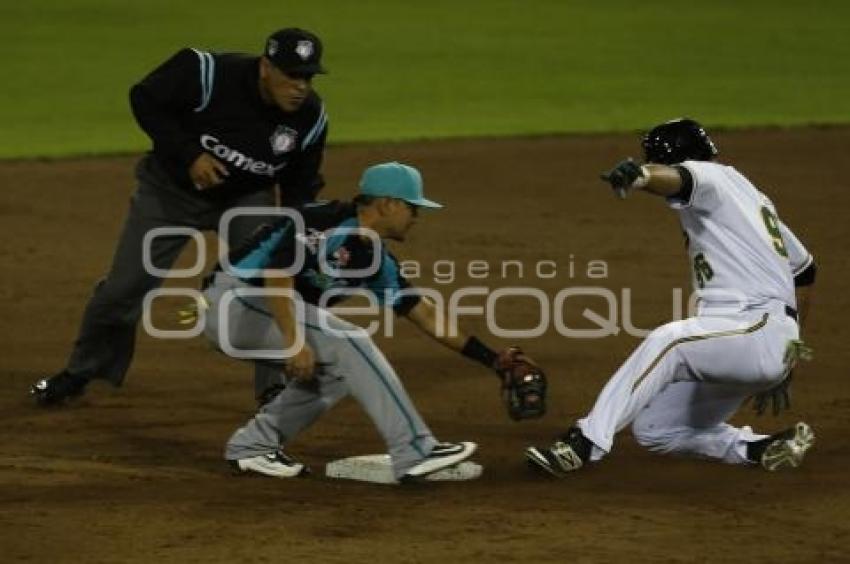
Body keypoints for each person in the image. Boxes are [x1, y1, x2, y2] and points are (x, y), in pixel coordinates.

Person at [31, 28, 330, 406]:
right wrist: (189, 155)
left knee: (271, 279)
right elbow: (144, 98)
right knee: (124, 288)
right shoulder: (205, 72)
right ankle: (80, 371)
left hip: (245, 199)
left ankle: (272, 386)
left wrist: (290, 239)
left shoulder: (310, 118)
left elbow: (301, 184)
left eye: (308, 76)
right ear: (265, 67)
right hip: (170, 193)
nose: (300, 86)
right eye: (292, 75)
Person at [200, 162, 545, 481]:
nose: (417, 216)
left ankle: (254, 446)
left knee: (336, 369)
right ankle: (415, 450)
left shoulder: (376, 258)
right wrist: (294, 341)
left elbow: (423, 313)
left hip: (261, 312)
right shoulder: (324, 221)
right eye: (413, 207)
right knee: (350, 339)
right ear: (388, 203)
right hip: (232, 302)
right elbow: (277, 274)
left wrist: (492, 359)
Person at [526, 118, 817, 476]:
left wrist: (642, 176)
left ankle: (583, 443)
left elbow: (682, 178)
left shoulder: (714, 178)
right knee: (656, 430)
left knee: (670, 341)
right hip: (744, 339)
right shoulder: (752, 201)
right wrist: (791, 352)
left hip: (754, 329)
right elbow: (804, 270)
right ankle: (756, 448)